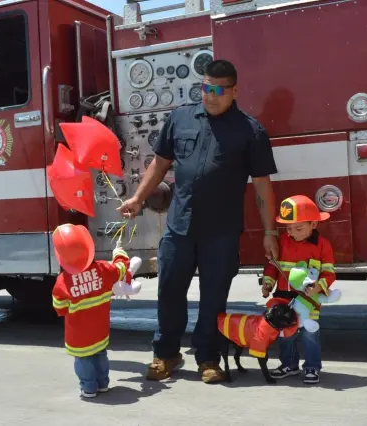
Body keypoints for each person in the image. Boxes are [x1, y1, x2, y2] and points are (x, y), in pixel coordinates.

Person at [116, 59, 280, 384]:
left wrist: (270, 231)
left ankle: (208, 358)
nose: (210, 95)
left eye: (218, 90)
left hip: (221, 231)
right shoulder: (180, 118)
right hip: (179, 225)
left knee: (213, 297)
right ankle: (166, 354)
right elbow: (160, 163)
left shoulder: (251, 131)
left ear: (234, 91)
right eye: (206, 87)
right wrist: (137, 197)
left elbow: (262, 185)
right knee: (169, 291)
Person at [50, 223, 134, 398]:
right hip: (100, 330)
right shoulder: (103, 269)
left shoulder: (62, 282)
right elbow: (121, 268)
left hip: (79, 336)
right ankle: (103, 383)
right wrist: (119, 253)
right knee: (100, 354)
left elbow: (59, 308)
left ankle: (88, 388)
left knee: (83, 359)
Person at [260, 195, 337, 384]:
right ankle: (289, 365)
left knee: (310, 335)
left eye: (299, 228)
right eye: (288, 228)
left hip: (309, 301)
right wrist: (268, 283)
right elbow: (273, 266)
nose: (293, 232)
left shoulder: (323, 245)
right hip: (283, 299)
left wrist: (318, 286)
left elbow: (329, 274)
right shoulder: (282, 242)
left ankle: (312, 368)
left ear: (313, 224)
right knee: (286, 334)